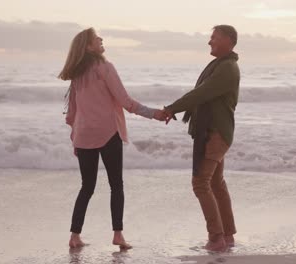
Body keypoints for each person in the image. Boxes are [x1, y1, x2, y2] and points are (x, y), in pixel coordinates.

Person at [58, 28, 166, 249]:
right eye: (96, 38)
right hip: (108, 133)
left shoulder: (77, 76)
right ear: (89, 47)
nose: (100, 39)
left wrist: (75, 139)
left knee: (86, 187)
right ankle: (118, 235)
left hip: (84, 136)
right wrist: (154, 113)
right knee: (116, 185)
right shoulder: (105, 68)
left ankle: (74, 236)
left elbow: (72, 114)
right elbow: (126, 102)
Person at [163, 25, 240, 252]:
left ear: (228, 40)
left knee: (200, 183)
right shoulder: (220, 65)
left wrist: (171, 109)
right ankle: (227, 235)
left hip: (215, 133)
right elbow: (203, 94)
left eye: (214, 38)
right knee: (216, 183)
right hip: (215, 131)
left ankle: (216, 238)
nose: (209, 42)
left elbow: (201, 94)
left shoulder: (227, 68)